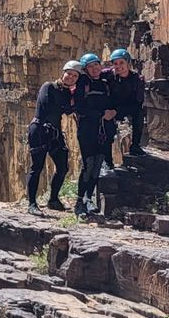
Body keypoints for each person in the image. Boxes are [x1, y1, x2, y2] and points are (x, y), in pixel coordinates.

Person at [25, 60, 81, 217]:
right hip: (39, 130)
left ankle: (53, 199)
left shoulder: (66, 93)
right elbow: (47, 105)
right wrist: (69, 103)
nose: (71, 77)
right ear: (63, 73)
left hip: (54, 132)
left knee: (62, 167)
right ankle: (31, 204)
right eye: (69, 73)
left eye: (75, 75)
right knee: (37, 167)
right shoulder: (48, 86)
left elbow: (69, 110)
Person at [73, 52, 116, 217]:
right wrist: (101, 114)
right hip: (87, 131)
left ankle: (88, 198)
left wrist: (113, 112)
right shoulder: (83, 83)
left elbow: (113, 102)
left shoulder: (105, 83)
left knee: (98, 164)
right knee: (88, 164)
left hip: (104, 131)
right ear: (85, 70)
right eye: (90, 66)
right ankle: (79, 202)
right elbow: (79, 107)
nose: (94, 68)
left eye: (96, 64)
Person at [107, 48, 146, 156]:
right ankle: (106, 151)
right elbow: (94, 75)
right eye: (115, 63)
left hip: (129, 107)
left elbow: (138, 102)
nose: (118, 66)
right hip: (111, 106)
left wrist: (117, 111)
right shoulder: (109, 75)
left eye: (121, 63)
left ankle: (135, 146)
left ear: (128, 63)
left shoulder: (137, 79)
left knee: (139, 113)